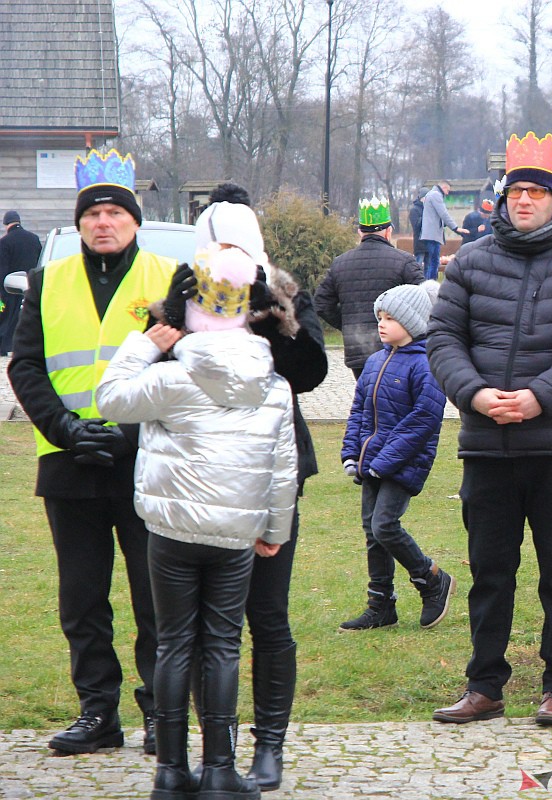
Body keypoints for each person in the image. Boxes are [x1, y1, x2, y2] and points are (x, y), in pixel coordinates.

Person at [427, 132, 552, 727]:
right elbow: (443, 340)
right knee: (490, 572)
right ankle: (484, 685)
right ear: (501, 198)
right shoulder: (471, 261)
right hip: (487, 446)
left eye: (537, 192)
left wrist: (540, 398)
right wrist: (478, 395)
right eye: (516, 192)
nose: (525, 201)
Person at [96, 244, 296, 800]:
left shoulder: (170, 378)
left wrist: (142, 345)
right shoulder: (272, 385)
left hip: (171, 528)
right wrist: (274, 530)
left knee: (174, 644)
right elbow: (283, 468)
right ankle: (220, 771)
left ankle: (170, 771)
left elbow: (108, 399)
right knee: (223, 646)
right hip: (235, 534)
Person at [8, 149, 174, 756]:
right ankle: (97, 711)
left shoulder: (167, 277)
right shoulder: (48, 281)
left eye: (114, 212)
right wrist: (70, 429)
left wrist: (126, 432)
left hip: (148, 458)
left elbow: (189, 371)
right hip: (68, 460)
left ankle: (162, 711)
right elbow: (27, 368)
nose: (103, 222)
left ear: (134, 221)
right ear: (78, 224)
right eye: (93, 214)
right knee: (82, 597)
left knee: (156, 594)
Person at [188, 184, 328, 791]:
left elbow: (311, 372)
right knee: (199, 622)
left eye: (238, 244)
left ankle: (268, 745)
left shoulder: (284, 290)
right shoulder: (183, 291)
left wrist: (274, 309)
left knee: (266, 614)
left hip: (271, 469)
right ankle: (214, 745)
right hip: (199, 469)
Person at [339, 281, 454, 631]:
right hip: (372, 463)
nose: (382, 323)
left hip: (403, 463)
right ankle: (381, 605)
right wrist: (351, 453)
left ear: (414, 322)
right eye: (380, 317)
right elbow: (359, 411)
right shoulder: (374, 362)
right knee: (372, 531)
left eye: (391, 318)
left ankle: (431, 578)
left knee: (385, 526)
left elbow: (423, 420)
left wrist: (383, 462)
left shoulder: (426, 365)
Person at [315, 194, 422, 379]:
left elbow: (321, 304)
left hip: (359, 349)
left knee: (367, 400)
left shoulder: (340, 263)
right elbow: (425, 300)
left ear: (360, 232)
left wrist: (347, 323)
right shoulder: (404, 262)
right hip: (396, 348)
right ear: (389, 232)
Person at [0, 210, 42, 356]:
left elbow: (2, 267)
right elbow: (39, 262)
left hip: (9, 287)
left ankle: (4, 347)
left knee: (6, 317)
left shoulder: (4, 242)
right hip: (31, 286)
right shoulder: (34, 239)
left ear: (6, 224)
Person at [419, 181, 469, 281]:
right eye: (447, 190)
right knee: (433, 262)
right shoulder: (436, 195)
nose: (447, 193)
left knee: (432, 261)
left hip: (430, 234)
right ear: (443, 187)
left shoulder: (431, 194)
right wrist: (455, 228)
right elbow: (443, 213)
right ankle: (431, 283)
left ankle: (430, 283)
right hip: (432, 235)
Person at [409, 195, 427, 264]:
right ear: (421, 198)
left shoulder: (429, 208)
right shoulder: (414, 210)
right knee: (418, 265)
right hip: (420, 244)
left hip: (430, 243)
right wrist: (425, 216)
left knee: (428, 267)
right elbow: (416, 226)